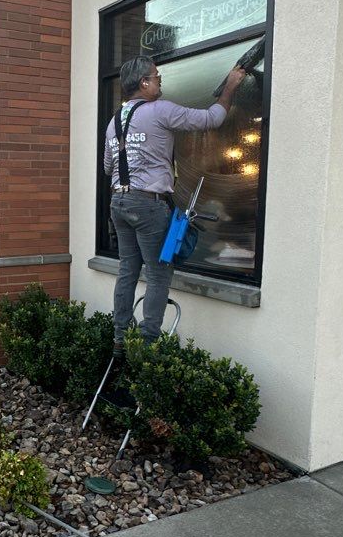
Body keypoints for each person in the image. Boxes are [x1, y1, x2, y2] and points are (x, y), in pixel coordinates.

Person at [104, 54, 247, 355]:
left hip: (119, 201)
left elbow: (109, 166)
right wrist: (230, 87)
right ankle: (147, 344)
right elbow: (212, 119)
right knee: (157, 273)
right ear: (143, 83)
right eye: (156, 77)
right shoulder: (160, 110)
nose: (160, 81)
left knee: (128, 269)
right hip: (148, 204)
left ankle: (120, 337)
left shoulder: (114, 122)